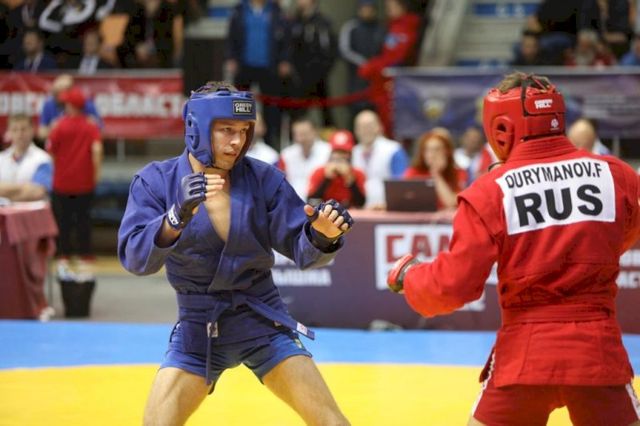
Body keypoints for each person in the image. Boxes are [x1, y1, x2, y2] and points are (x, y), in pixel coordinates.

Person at [387, 72, 640, 425]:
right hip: (597, 352)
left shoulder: (490, 191)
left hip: (525, 356)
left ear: (501, 128)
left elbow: (453, 286)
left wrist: (412, 276)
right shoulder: (617, 175)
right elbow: (622, 237)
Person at [118, 82, 352, 426]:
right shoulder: (156, 181)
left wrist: (323, 236)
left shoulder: (263, 179)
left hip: (262, 320)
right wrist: (174, 218)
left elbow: (302, 249)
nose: (237, 141)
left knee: (332, 422)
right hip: (198, 327)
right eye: (227, 130)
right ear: (197, 128)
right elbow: (135, 259)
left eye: (243, 131)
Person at [47, 87, 103, 277]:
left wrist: (56, 170)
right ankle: (85, 254)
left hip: (61, 183)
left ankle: (62, 254)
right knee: (83, 220)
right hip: (84, 183)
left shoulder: (59, 126)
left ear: (70, 105)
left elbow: (50, 151)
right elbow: (97, 151)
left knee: (62, 221)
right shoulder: (90, 126)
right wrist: (96, 175)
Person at [225, 0, 291, 149]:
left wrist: (284, 59)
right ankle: (240, 141)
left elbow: (286, 38)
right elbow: (231, 36)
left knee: (272, 109)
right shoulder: (239, 10)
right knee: (241, 106)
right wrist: (231, 57)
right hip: (244, 66)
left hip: (269, 67)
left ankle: (270, 144)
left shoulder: (276, 10)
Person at [357, 0, 421, 135]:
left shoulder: (406, 27)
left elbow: (396, 56)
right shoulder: (391, 26)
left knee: (393, 121)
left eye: (391, 6)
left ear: (402, 6)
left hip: (395, 82)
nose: (388, 10)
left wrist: (372, 67)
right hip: (382, 83)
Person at [289, 0, 337, 127]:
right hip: (300, 76)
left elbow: (330, 49)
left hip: (319, 75)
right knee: (297, 113)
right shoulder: (295, 21)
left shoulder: (322, 22)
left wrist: (324, 69)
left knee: (326, 113)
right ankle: (297, 136)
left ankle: (329, 136)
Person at [338, 0, 386, 123]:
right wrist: (364, 63)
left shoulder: (381, 28)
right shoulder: (351, 27)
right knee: (356, 114)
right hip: (356, 80)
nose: (367, 11)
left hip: (376, 80)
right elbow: (344, 50)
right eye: (365, 8)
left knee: (375, 115)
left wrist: (376, 65)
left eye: (370, 8)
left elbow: (386, 51)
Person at [351, 109, 408, 209]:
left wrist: (389, 205)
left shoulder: (393, 149)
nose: (366, 130)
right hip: (361, 210)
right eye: (361, 127)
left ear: (379, 127)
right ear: (356, 130)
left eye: (369, 126)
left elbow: (400, 184)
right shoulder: (353, 152)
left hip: (387, 209)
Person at [403, 131, 466, 210]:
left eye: (437, 149)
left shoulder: (459, 173)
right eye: (427, 150)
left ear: (447, 152)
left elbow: (451, 203)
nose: (432, 154)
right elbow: (405, 200)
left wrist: (436, 174)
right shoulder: (413, 172)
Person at [307, 130, 366, 208]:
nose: (340, 156)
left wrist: (351, 181)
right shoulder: (320, 172)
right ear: (331, 153)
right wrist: (326, 179)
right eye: (337, 152)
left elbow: (361, 203)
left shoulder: (357, 173)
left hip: (350, 213)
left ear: (350, 154)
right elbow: (311, 201)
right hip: (325, 213)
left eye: (344, 152)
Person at [0, 114, 52, 202]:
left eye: (23, 129)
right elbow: (29, 191)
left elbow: (37, 193)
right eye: (15, 129)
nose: (19, 134)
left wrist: (4, 191)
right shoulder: (1, 159)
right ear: (9, 132)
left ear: (32, 130)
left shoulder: (43, 159)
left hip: (32, 210)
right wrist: (24, 188)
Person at [278, 117, 331, 199]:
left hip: (320, 200)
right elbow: (281, 183)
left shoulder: (328, 151)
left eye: (304, 134)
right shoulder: (286, 154)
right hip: (293, 200)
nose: (301, 139)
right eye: (297, 134)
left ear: (315, 132)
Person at [38, 74, 102, 141]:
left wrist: (87, 126)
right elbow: (41, 134)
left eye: (61, 92)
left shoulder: (85, 103)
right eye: (55, 93)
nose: (57, 96)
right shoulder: (49, 104)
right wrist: (54, 128)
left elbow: (99, 132)